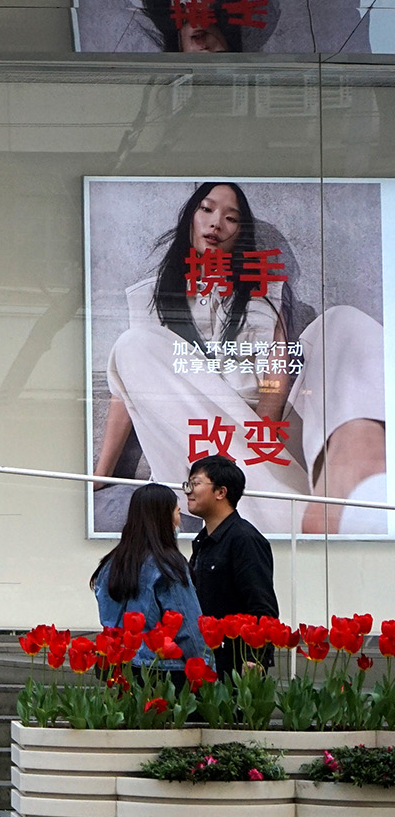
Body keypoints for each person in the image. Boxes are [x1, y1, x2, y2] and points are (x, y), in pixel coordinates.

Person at [96, 180, 386, 534]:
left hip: (267, 436)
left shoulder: (266, 291)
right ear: (190, 218)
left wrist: (263, 437)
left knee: (340, 322)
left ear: (240, 233)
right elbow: (127, 391)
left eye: (231, 218)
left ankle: (354, 479)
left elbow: (276, 369)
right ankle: (281, 505)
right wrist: (101, 474)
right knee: (132, 345)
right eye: (207, 209)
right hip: (197, 437)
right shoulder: (148, 297)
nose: (216, 223)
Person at [90, 483, 208, 670]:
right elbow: (189, 626)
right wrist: (205, 667)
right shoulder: (168, 566)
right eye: (177, 512)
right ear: (165, 518)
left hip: (119, 663)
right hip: (163, 668)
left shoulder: (111, 563)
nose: (179, 520)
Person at [185, 455, 280, 676]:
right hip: (207, 659)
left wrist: (255, 658)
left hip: (236, 664)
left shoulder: (244, 539)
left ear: (221, 492)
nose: (188, 491)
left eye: (195, 483)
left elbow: (262, 605)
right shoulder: (203, 541)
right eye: (188, 484)